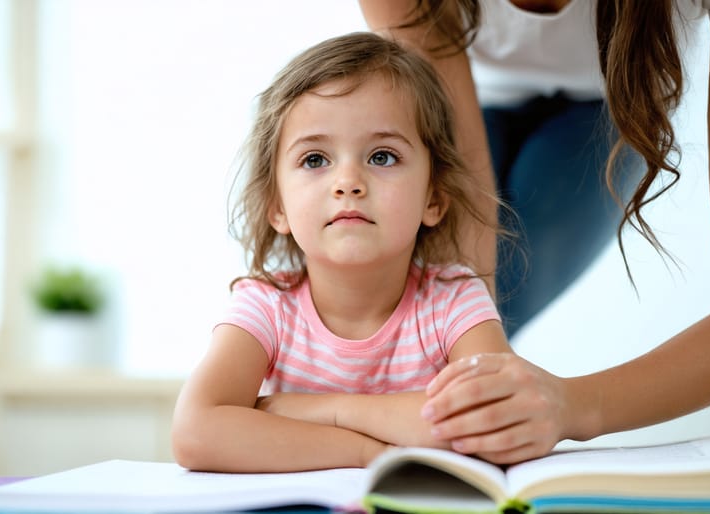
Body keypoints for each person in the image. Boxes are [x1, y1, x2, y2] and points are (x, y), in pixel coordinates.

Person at [352, 0, 710, 464]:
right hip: (465, 91)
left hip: (606, 106)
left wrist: (573, 405)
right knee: (407, 326)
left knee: (488, 309)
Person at [171, 31, 517, 472]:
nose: (348, 181)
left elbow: (496, 421)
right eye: (315, 159)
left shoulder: (454, 299)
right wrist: (367, 455)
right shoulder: (265, 305)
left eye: (382, 157)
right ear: (277, 206)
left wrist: (330, 411)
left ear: (433, 197)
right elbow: (196, 433)